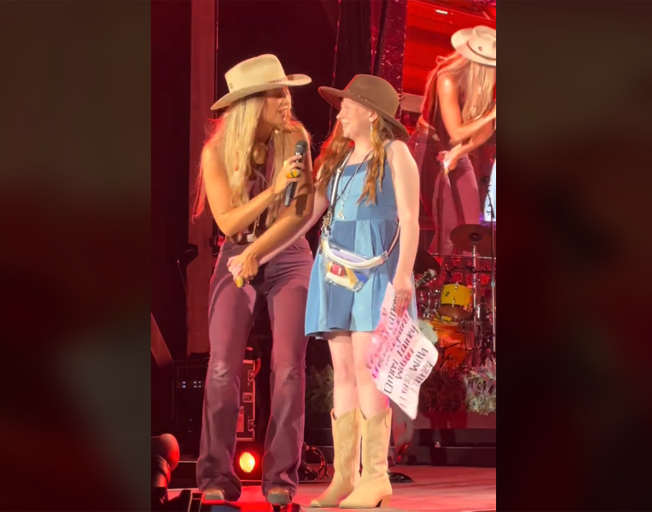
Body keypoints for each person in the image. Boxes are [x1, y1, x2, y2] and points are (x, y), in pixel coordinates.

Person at [257, 75, 420, 508]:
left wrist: (403, 274)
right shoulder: (339, 158)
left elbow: (410, 217)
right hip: (334, 268)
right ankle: (346, 476)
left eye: (349, 106)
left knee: (368, 369)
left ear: (370, 112)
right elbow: (307, 215)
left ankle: (376, 476)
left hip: (376, 268)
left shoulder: (395, 153)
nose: (341, 113)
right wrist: (262, 250)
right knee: (343, 372)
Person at [192, 54, 315, 506]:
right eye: (277, 93)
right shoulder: (216, 153)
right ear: (251, 103)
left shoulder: (296, 138)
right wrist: (272, 186)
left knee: (288, 367)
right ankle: (215, 478)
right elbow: (227, 224)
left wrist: (260, 251)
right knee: (223, 365)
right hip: (236, 253)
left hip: (288, 252)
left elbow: (298, 214)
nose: (287, 100)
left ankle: (281, 477)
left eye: (286, 91)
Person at [407, 25, 496, 255]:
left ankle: (464, 284)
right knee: (447, 225)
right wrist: (492, 114)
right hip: (429, 146)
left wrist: (459, 152)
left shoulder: (485, 85)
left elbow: (484, 132)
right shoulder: (448, 78)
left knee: (470, 228)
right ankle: (438, 283)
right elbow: (456, 131)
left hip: (455, 149)